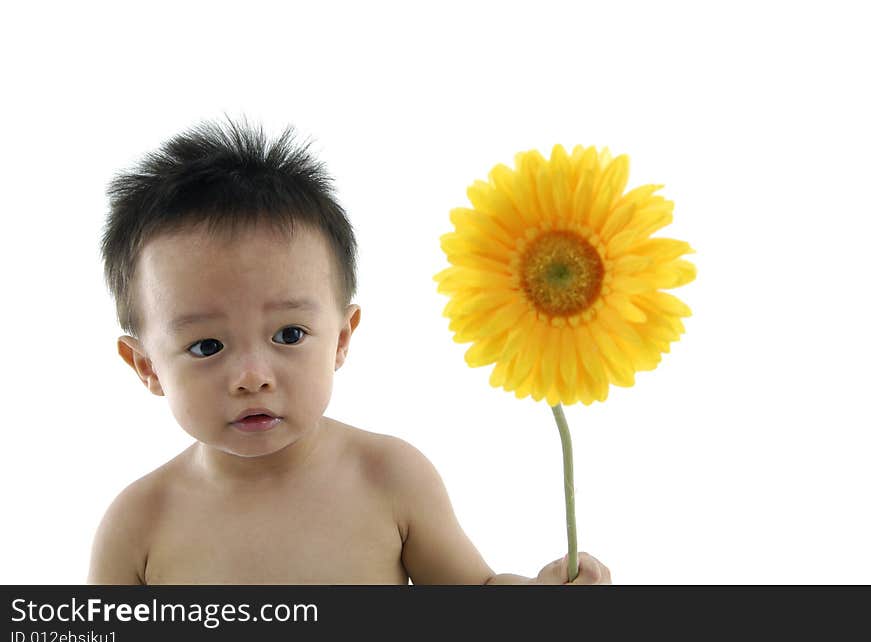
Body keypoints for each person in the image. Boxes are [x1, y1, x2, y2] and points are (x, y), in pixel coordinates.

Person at [88, 115, 611, 585]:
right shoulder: (137, 527)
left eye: (289, 335)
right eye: (207, 345)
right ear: (147, 367)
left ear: (341, 338)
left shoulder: (389, 477)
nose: (252, 376)